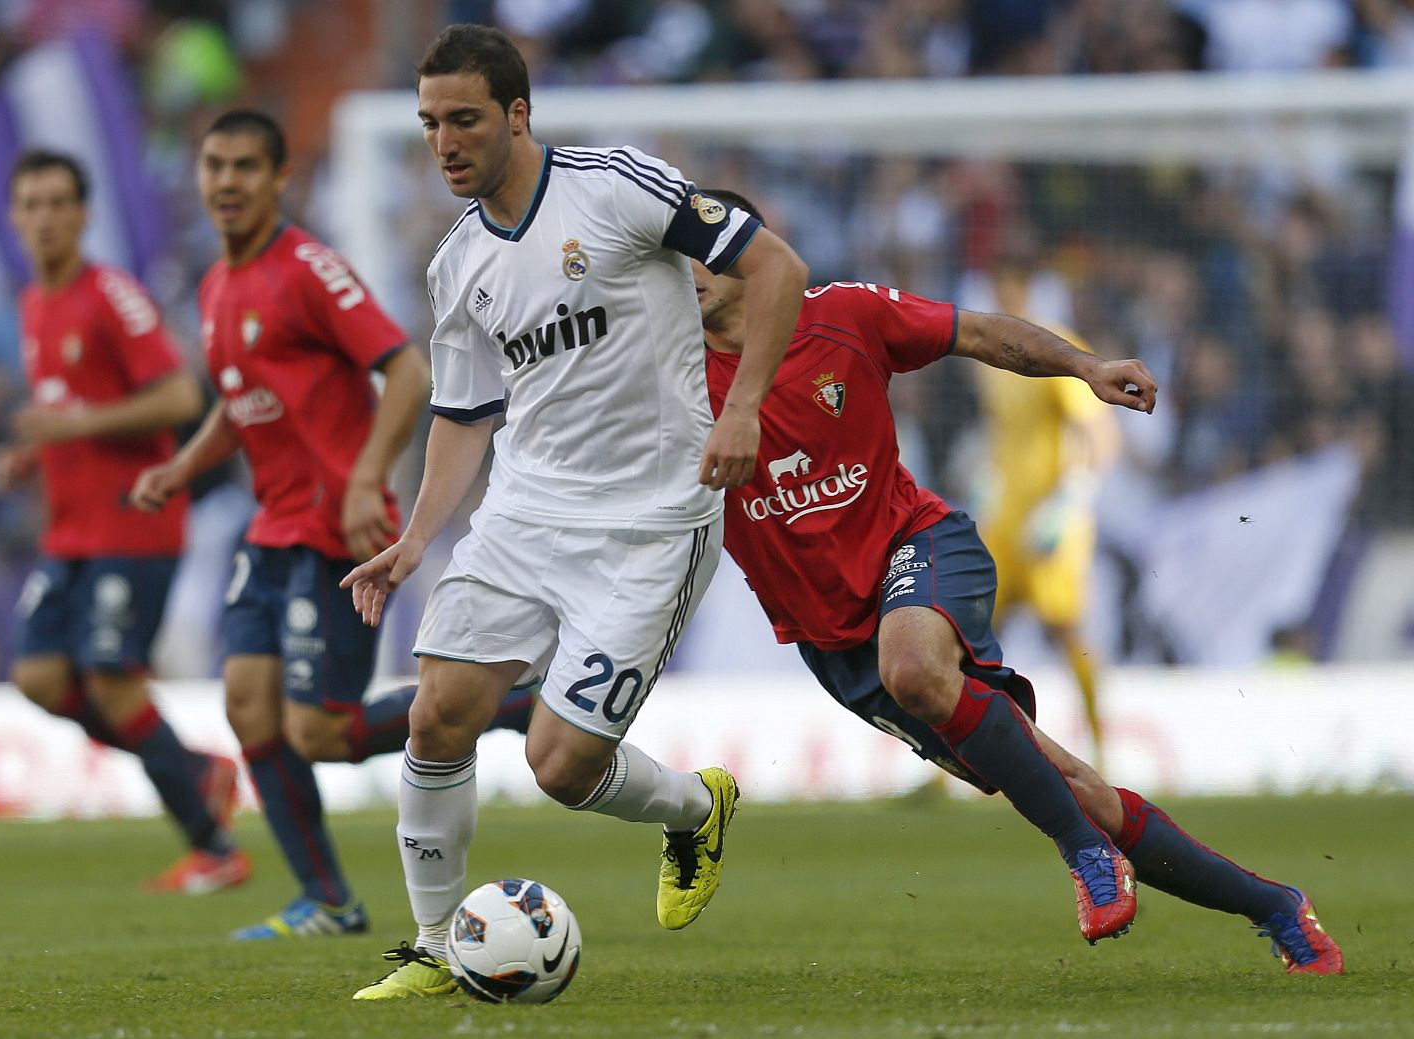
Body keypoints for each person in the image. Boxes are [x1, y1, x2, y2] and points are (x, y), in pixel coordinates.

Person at [692, 187, 1343, 974]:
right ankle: (1274, 905)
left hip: (920, 544)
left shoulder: (846, 313)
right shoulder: (661, 377)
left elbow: (979, 335)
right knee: (1076, 785)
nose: (688, 270)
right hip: (835, 646)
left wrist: (1083, 364)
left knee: (917, 670)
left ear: (754, 255)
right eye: (676, 255)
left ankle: (1084, 856)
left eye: (706, 250)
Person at [341, 25, 809, 1000]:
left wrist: (743, 406)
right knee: (438, 715)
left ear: (518, 114)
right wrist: (418, 536)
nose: (444, 142)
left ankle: (693, 808)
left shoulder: (616, 183)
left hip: (653, 524)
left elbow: (777, 270)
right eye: (430, 123)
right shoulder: (457, 261)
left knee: (559, 766)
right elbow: (465, 416)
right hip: (524, 518)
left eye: (464, 119)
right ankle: (433, 943)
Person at [131, 110, 534, 940]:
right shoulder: (216, 285)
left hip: (333, 530)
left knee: (321, 730)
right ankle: (328, 900)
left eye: (247, 166)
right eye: (215, 165)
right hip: (270, 529)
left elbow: (407, 371)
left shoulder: (309, 270)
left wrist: (364, 483)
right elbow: (243, 403)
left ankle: (502, 700)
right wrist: (184, 465)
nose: (228, 182)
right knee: (249, 708)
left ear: (280, 179)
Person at [0, 149, 250, 894]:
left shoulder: (113, 295)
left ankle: (215, 847)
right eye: (30, 204)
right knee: (40, 676)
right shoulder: (32, 304)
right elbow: (65, 413)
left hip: (134, 524)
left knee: (114, 684)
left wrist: (74, 425)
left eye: (56, 203)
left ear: (83, 213)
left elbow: (178, 398)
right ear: (15, 218)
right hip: (69, 532)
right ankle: (196, 767)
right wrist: (30, 453)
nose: (43, 217)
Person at [973, 244, 1117, 768]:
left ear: (1025, 286)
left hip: (1051, 521)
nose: (999, 295)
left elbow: (1099, 432)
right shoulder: (988, 357)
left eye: (1007, 284)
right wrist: (987, 480)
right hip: (1005, 517)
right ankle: (955, 768)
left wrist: (1072, 498)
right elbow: (1001, 431)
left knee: (1066, 632)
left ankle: (1103, 750)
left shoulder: (1056, 347)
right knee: (974, 634)